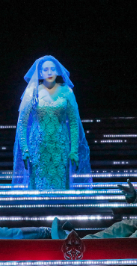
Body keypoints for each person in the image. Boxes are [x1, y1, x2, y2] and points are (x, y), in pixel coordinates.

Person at [12, 55, 92, 190]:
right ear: (40, 73)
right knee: (38, 184)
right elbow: (22, 122)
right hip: (37, 146)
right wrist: (25, 149)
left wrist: (74, 151)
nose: (49, 72)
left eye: (52, 69)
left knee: (60, 184)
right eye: (46, 69)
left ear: (57, 71)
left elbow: (73, 122)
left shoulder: (66, 91)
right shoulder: (32, 91)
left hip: (60, 146)